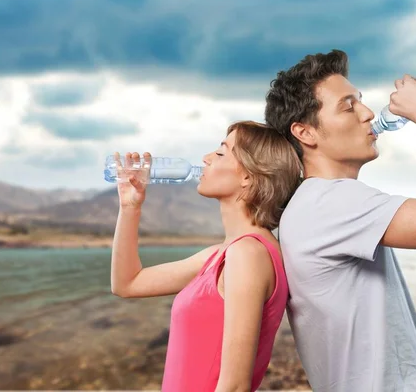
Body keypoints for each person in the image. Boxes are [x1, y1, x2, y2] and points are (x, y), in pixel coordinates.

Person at [264, 49, 416, 391]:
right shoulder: (331, 202)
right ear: (306, 133)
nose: (366, 113)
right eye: (348, 106)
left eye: (361, 101)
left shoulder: (316, 203)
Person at [109, 120, 302, 392]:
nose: (206, 158)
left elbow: (235, 385)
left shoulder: (248, 255)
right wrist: (130, 208)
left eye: (221, 152)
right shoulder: (223, 254)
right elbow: (127, 284)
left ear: (248, 175)